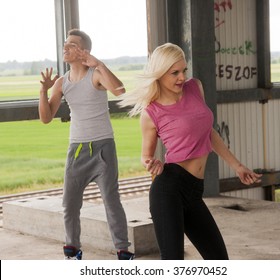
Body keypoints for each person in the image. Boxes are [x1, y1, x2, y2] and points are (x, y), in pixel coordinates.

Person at [120, 43, 262, 260]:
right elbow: (145, 156)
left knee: (219, 261)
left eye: (184, 70)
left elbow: (208, 132)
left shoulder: (195, 87)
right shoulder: (152, 112)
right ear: (159, 74)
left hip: (194, 191)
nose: (181, 77)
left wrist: (237, 165)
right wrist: (152, 163)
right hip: (169, 190)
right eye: (174, 73)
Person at [39, 29, 134, 260]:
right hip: (77, 150)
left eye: (72, 44)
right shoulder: (62, 83)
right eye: (65, 44)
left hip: (103, 149)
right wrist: (44, 89)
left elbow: (120, 90)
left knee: (112, 203)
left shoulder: (96, 75)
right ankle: (72, 251)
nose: (66, 47)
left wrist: (99, 63)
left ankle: (123, 251)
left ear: (84, 51)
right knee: (69, 205)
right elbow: (46, 117)